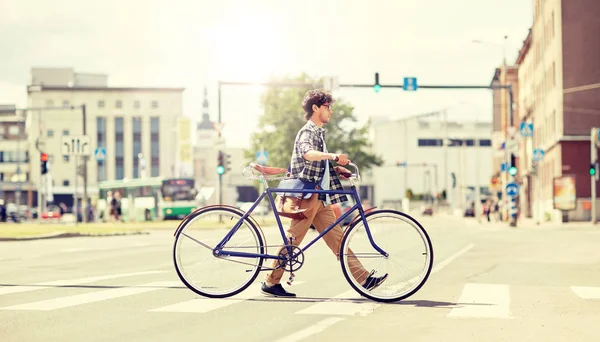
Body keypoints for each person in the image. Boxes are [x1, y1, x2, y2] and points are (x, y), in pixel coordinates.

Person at [261, 89, 388, 297]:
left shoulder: (319, 133)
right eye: (328, 106)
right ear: (316, 108)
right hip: (306, 197)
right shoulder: (308, 132)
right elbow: (308, 154)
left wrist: (334, 168)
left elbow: (317, 163)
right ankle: (270, 281)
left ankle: (364, 279)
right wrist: (333, 155)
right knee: (292, 241)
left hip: (319, 198)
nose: (331, 111)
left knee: (339, 240)